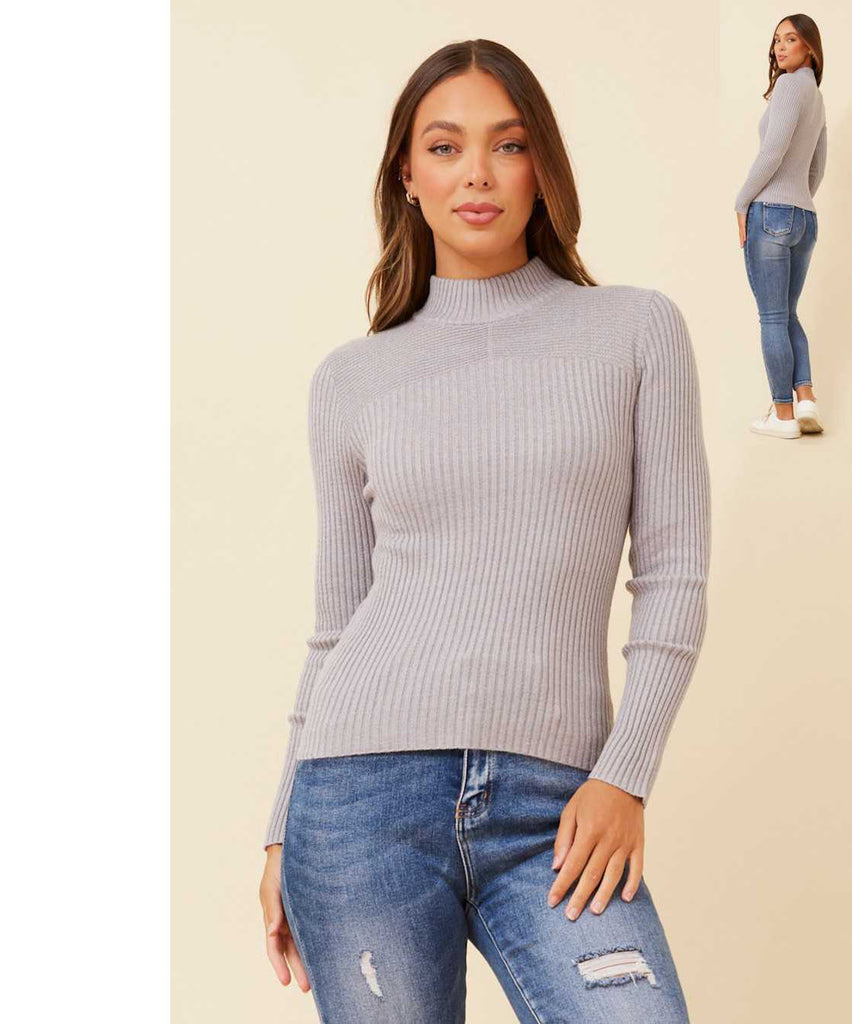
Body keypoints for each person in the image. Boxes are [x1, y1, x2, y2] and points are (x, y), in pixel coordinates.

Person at [258, 38, 710, 1023]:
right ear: (407, 176)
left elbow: (673, 574)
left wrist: (625, 775)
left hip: (557, 806)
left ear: (541, 166)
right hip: (358, 798)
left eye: (507, 145)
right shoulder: (351, 379)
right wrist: (281, 826)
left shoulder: (636, 332)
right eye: (445, 146)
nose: (476, 173)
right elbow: (336, 624)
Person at [735, 14, 828, 438]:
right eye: (777, 40)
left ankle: (783, 416)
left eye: (790, 39)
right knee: (787, 313)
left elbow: (772, 152)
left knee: (772, 318)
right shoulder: (816, 96)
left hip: (771, 212)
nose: (780, 47)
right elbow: (817, 166)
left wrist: (742, 202)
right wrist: (798, 201)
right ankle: (806, 398)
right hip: (805, 218)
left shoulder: (789, 87)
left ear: (810, 47)